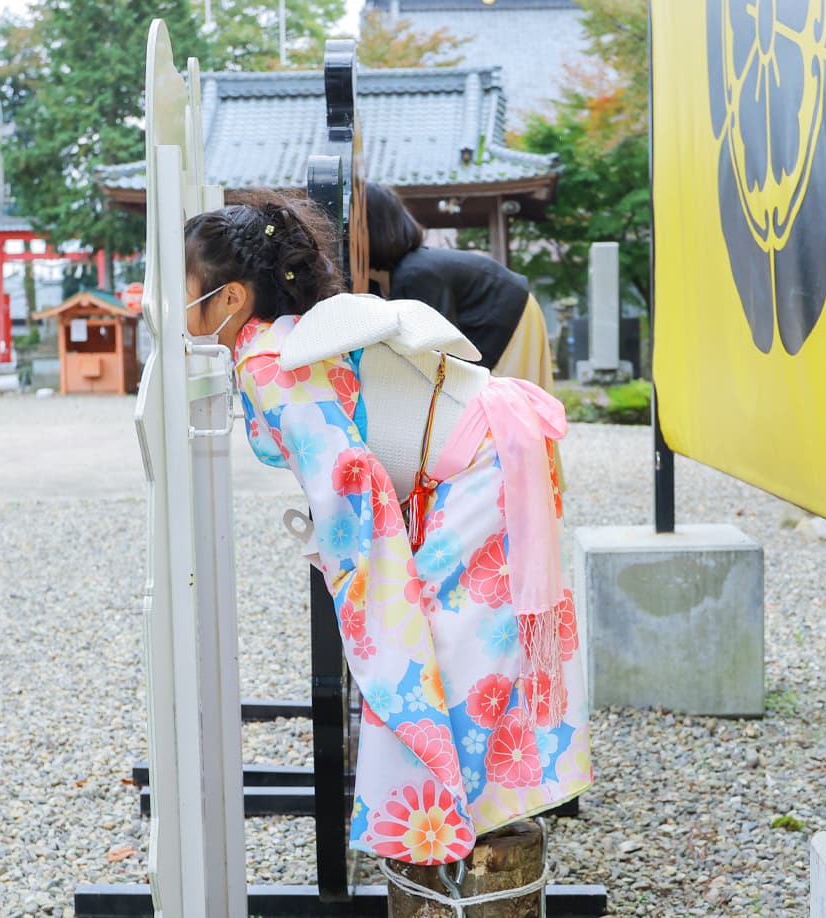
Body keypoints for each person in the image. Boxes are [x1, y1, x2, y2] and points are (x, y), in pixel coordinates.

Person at [183, 189, 591, 867]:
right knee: (470, 631)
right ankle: (485, 808)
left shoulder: (265, 361)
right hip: (485, 446)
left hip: (478, 462)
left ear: (228, 299)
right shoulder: (275, 342)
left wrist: (348, 565)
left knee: (441, 635)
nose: (170, 301)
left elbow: (345, 478)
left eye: (184, 286)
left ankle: (456, 824)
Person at [365, 182, 557, 393]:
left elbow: (438, 352)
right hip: (504, 308)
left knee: (507, 407)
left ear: (369, 228)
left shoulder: (415, 274)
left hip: (509, 312)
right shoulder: (384, 281)